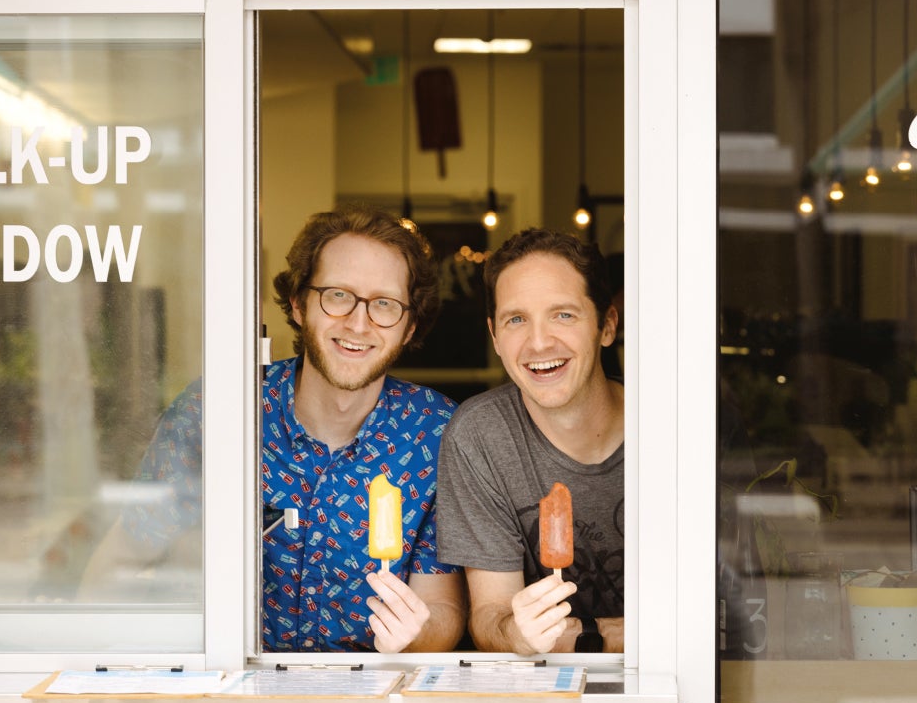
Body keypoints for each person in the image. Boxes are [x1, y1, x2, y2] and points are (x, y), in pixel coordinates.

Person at [81, 206, 467, 654]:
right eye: (338, 295)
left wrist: (416, 632)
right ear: (300, 305)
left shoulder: (436, 434)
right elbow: (121, 559)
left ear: (408, 327)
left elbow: (443, 608)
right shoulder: (216, 411)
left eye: (384, 304)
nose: (359, 324)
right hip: (227, 695)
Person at [436, 228, 623, 655]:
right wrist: (515, 634)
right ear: (495, 337)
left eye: (563, 315)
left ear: (607, 326)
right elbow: (490, 617)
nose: (539, 342)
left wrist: (580, 636)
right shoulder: (479, 435)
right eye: (516, 319)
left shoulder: (669, 426)